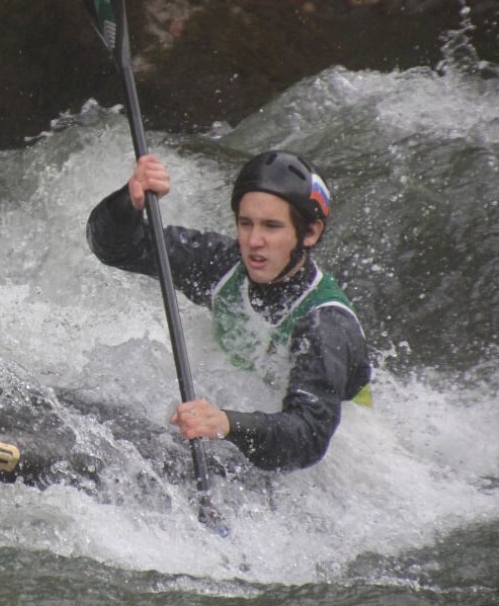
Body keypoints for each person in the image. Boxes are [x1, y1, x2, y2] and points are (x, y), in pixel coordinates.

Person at [86, 150, 371, 471]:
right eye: (245, 223)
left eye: (271, 226)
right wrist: (129, 202)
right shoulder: (222, 264)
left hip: (336, 468)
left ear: (311, 232)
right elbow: (117, 248)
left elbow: (307, 438)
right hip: (249, 431)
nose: (254, 240)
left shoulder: (327, 323)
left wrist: (227, 424)